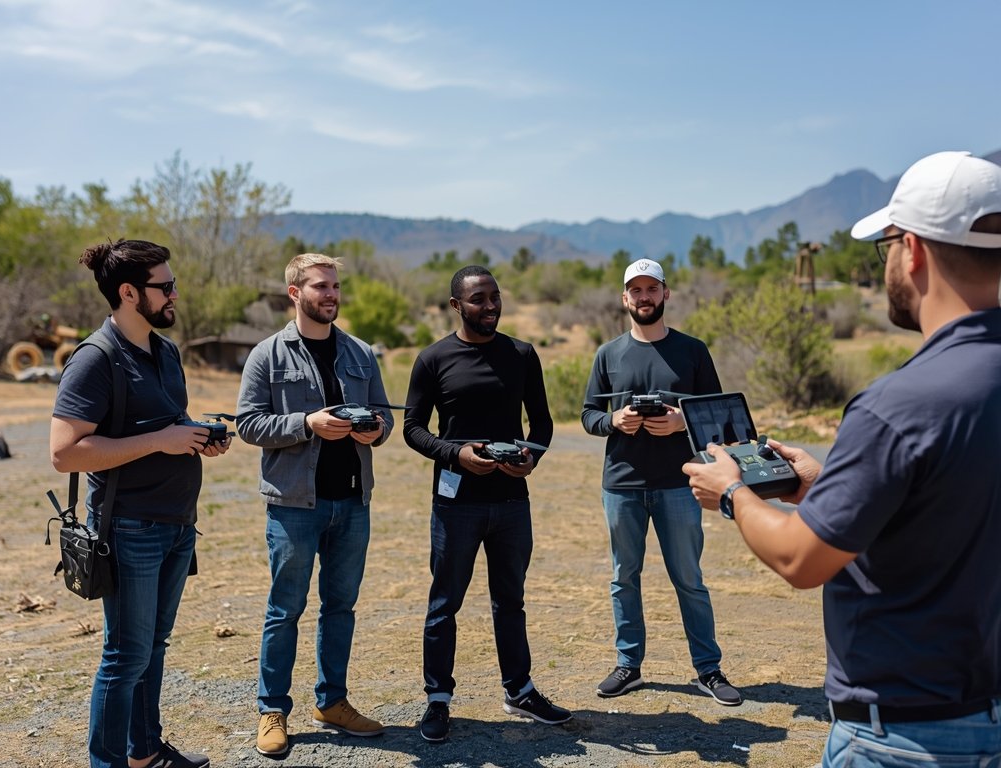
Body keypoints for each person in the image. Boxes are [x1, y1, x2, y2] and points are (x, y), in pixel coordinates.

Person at [683, 150, 1001, 766]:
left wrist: (732, 491)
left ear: (912, 250)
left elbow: (801, 559)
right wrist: (828, 485)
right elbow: (953, 499)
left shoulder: (900, 406)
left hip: (905, 736)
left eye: (882, 249)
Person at [50, 238, 231, 768]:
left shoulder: (166, 351)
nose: (176, 294)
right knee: (124, 657)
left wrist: (199, 437)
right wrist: (162, 441)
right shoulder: (95, 359)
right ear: (129, 293)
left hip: (177, 525)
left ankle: (145, 752)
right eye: (165, 286)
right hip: (129, 530)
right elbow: (65, 454)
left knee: (153, 648)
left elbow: (164, 424)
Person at [403, 265, 572, 742]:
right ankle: (438, 700)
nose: (491, 306)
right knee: (444, 604)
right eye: (479, 299)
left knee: (510, 601)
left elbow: (541, 423)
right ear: (456, 306)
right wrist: (455, 454)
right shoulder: (433, 359)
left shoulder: (521, 354)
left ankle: (519, 690)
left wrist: (530, 459)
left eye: (495, 297)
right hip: (456, 505)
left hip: (511, 502)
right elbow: (413, 428)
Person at [236, 253, 392, 758]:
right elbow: (248, 424)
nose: (331, 295)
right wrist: (307, 423)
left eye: (335, 286)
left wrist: (373, 430)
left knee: (340, 607)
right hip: (293, 505)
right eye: (321, 286)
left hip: (352, 501)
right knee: (286, 609)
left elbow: (383, 422)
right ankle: (272, 710)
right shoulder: (267, 354)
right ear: (294, 293)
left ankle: (332, 701)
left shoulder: (362, 354)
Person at [581, 259, 742, 706]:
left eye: (652, 288)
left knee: (689, 578)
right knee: (623, 577)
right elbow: (588, 415)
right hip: (622, 484)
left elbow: (720, 418)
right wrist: (614, 419)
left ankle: (708, 670)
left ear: (666, 294)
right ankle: (628, 666)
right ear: (624, 298)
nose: (644, 296)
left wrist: (680, 424)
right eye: (636, 290)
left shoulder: (692, 351)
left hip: (680, 483)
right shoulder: (607, 354)